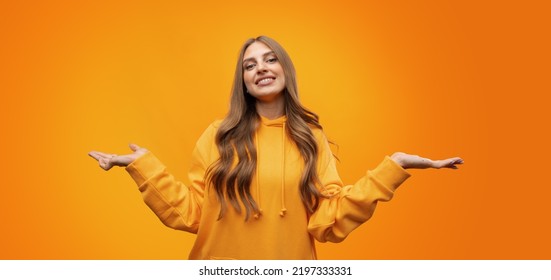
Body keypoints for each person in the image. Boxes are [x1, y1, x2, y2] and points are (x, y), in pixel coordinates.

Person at [88, 36, 463, 260]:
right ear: (244, 82)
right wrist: (143, 167)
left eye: (270, 59)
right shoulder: (219, 135)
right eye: (250, 65)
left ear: (285, 70)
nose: (261, 68)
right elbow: (193, 214)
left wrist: (392, 169)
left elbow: (327, 221)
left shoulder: (310, 137)